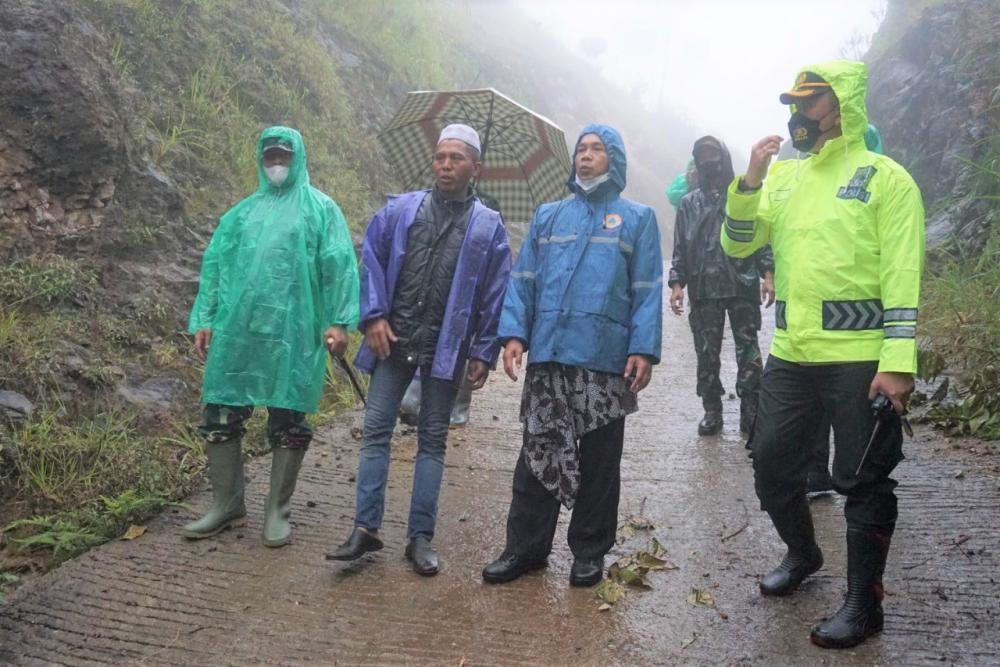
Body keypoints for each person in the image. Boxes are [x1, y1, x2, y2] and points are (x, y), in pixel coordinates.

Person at [721, 62, 924, 648]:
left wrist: (898, 360)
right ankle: (803, 551)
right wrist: (751, 180)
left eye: (808, 103)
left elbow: (903, 272)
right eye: (793, 103)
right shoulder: (784, 178)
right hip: (792, 353)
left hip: (862, 359)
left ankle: (864, 605)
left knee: (862, 479)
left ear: (841, 106)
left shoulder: (885, 178)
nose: (796, 115)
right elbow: (738, 244)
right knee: (771, 462)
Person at [482, 124, 663, 587]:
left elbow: (645, 290)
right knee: (538, 450)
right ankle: (525, 548)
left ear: (614, 160)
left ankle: (588, 552)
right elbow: (524, 279)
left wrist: (643, 347)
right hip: (550, 354)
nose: (586, 156)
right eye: (581, 149)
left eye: (597, 149)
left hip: (604, 359)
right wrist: (514, 335)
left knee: (601, 462)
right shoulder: (549, 215)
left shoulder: (636, 219)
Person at [327, 124, 511, 576]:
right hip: (396, 341)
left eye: (456, 159)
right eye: (440, 157)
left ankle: (420, 537)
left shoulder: (488, 227)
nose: (445, 165)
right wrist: (373, 317)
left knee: (432, 440)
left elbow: (494, 293)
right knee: (375, 429)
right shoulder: (400, 210)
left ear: (475, 168)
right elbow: (370, 260)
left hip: (446, 349)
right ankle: (365, 528)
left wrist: (484, 351)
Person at [183, 126, 360, 547]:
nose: (276, 162)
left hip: (294, 332)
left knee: (289, 415)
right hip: (237, 330)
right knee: (221, 411)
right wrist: (205, 316)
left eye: (283, 154)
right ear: (260, 160)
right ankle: (227, 504)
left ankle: (277, 511)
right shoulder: (242, 213)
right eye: (270, 156)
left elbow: (340, 265)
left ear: (297, 156)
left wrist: (339, 321)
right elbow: (215, 266)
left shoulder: (320, 209)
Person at [668, 136, 774, 436]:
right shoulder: (689, 204)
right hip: (703, 288)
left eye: (712, 153)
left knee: (749, 350)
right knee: (706, 354)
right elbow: (680, 248)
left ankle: (751, 411)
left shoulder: (740, 195)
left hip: (742, 283)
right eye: (701, 154)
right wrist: (677, 283)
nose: (707, 159)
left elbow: (760, 235)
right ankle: (712, 410)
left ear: (724, 157)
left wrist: (768, 274)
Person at [807, 123, 887, 498]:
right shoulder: (814, 192)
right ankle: (818, 474)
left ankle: (853, 481)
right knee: (820, 412)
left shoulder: (885, 187)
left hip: (862, 340)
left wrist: (896, 356)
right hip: (812, 337)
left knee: (857, 428)